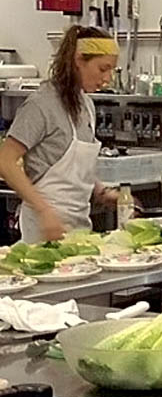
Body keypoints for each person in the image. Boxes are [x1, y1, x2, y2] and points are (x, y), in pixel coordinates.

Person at [0, 26, 119, 243]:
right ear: (78, 60)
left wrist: (101, 191)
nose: (107, 78)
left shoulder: (87, 106)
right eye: (103, 69)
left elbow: (74, 170)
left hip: (80, 228)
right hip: (42, 230)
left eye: (111, 70)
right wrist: (44, 211)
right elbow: (5, 162)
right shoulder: (41, 104)